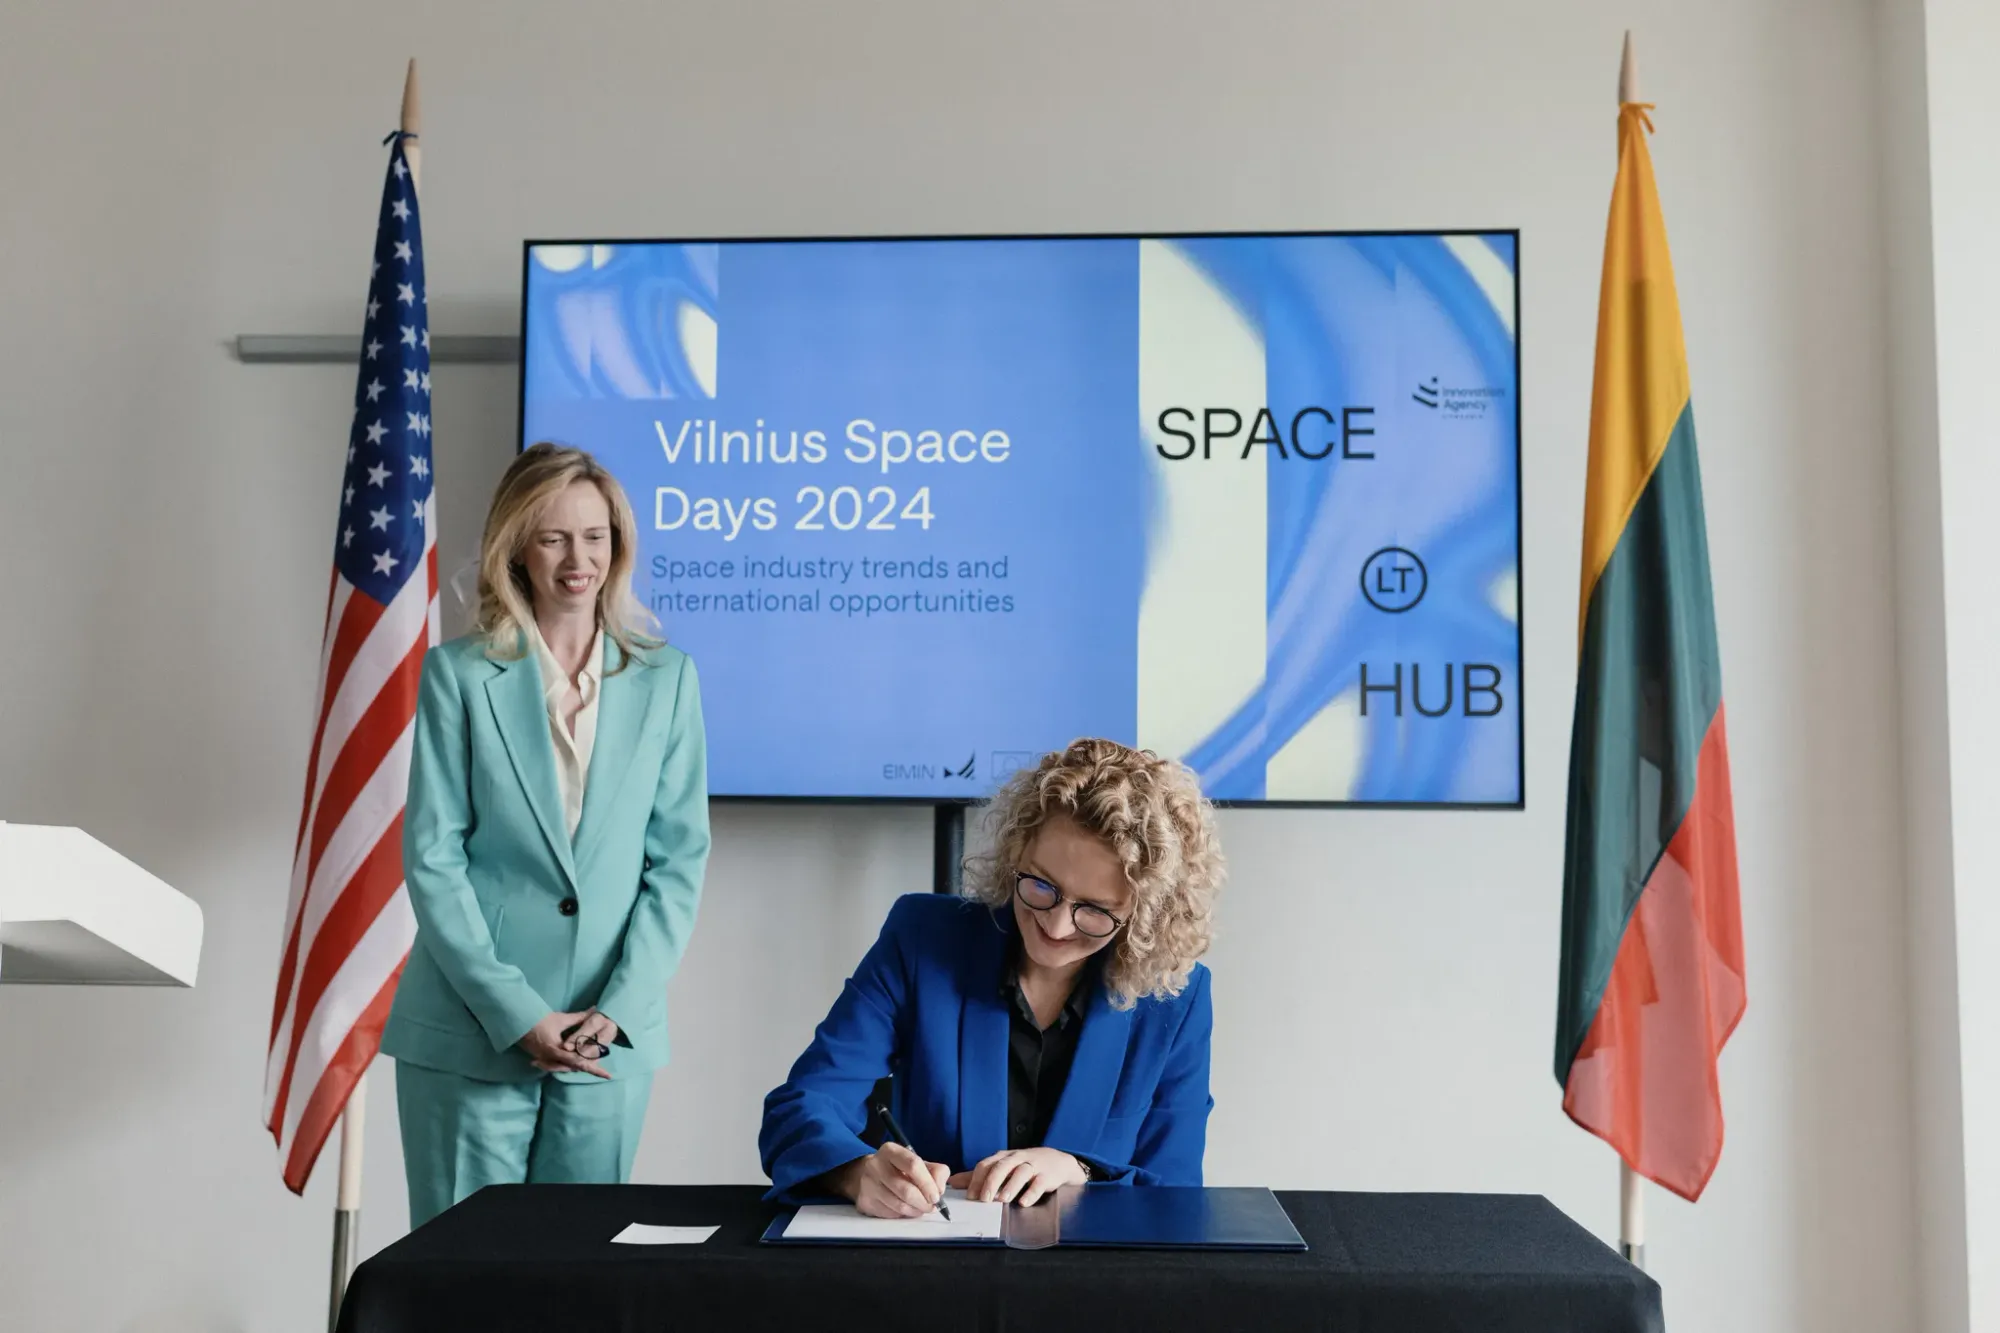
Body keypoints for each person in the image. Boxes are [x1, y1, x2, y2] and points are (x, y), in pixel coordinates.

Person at [381, 442, 711, 1229]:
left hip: (609, 1038)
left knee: (579, 1285)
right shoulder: (456, 675)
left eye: (595, 536)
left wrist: (622, 1005)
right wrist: (516, 1011)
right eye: (555, 537)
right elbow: (432, 858)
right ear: (516, 549)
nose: (578, 559)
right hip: (469, 1037)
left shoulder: (669, 679)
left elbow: (679, 862)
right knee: (460, 1289)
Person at [759, 739, 1222, 1217]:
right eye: (1042, 885)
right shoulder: (923, 937)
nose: (1057, 926)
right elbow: (800, 1107)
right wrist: (855, 1173)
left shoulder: (1177, 998)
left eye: (1095, 911)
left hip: (1093, 1283)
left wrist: (1082, 1171)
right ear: (1015, 851)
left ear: (1142, 914)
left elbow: (1175, 1191)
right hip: (934, 1273)